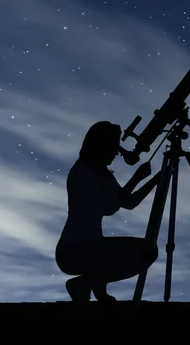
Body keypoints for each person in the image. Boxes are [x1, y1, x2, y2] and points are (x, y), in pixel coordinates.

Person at [55, 121, 161, 302]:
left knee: (147, 251)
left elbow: (129, 202)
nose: (116, 153)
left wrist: (158, 179)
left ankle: (89, 285)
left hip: (91, 246)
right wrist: (136, 178)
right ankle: (87, 284)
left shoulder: (102, 173)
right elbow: (109, 207)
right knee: (144, 252)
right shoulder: (83, 172)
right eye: (113, 147)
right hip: (74, 250)